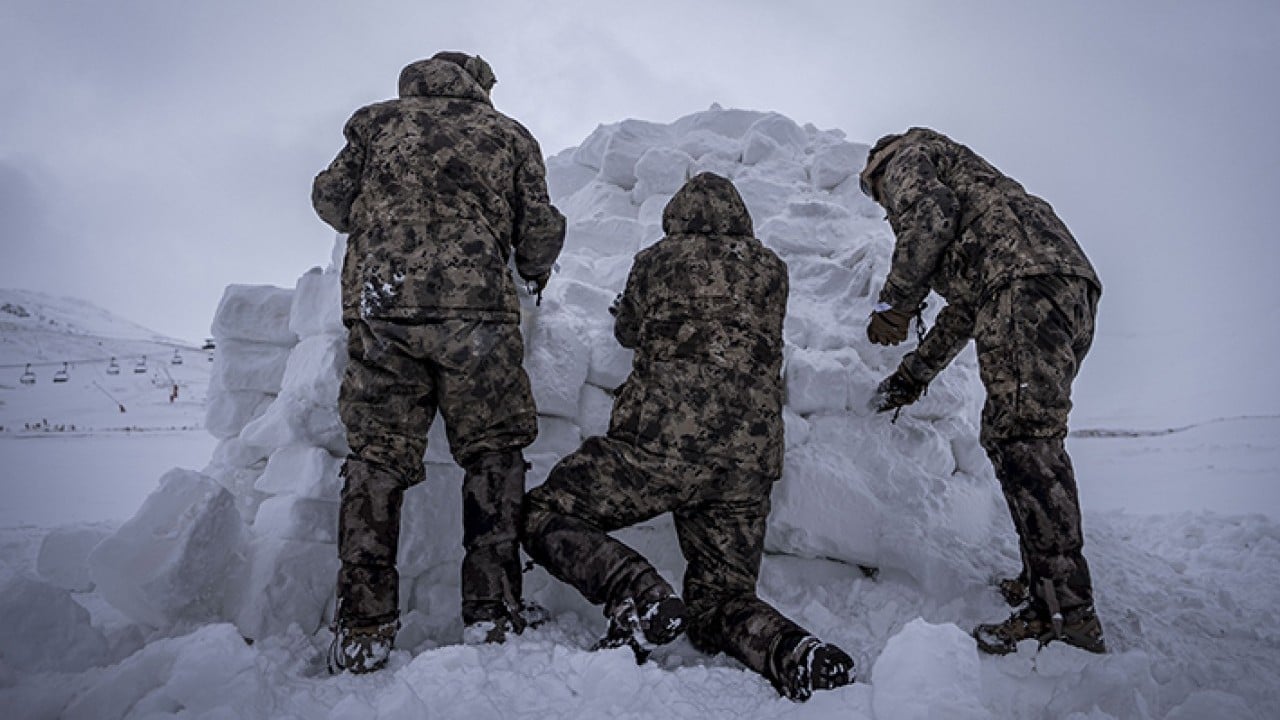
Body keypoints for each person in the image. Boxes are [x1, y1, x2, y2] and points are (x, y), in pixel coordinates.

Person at [521, 173, 856, 701]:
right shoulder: (772, 269)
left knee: (543, 512)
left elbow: (627, 332)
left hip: (660, 448)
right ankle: (792, 651)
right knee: (721, 599)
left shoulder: (656, 260)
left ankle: (640, 594)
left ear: (676, 217)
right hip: (746, 463)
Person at [311, 51, 565, 673]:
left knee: (377, 455)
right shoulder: (508, 133)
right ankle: (493, 612)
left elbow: (329, 199)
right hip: (476, 312)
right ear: (477, 84)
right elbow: (539, 230)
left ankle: (364, 625)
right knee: (493, 450)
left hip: (384, 304)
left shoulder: (374, 122)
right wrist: (533, 270)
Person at [858, 127, 1105, 655]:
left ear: (876, 171)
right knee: (1023, 434)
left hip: (1023, 284)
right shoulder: (982, 198)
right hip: (1064, 288)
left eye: (880, 201)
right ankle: (1044, 584)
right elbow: (965, 311)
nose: (887, 207)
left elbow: (931, 215)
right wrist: (913, 375)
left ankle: (1064, 613)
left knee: (1024, 440)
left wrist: (894, 304)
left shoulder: (904, 157)